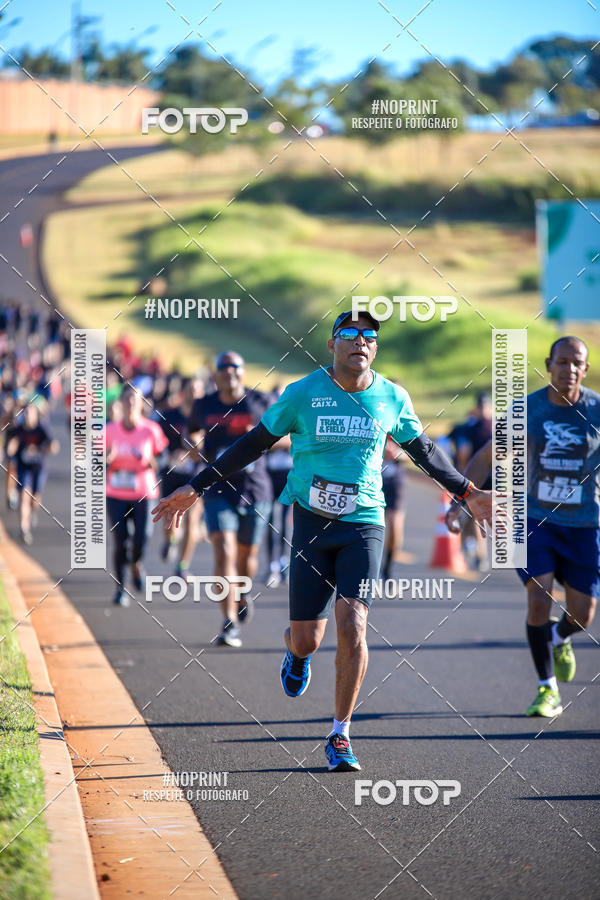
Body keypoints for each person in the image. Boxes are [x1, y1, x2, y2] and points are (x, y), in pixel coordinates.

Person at [152, 311, 493, 771]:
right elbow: (252, 443)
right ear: (332, 345)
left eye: (369, 336)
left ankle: (339, 735)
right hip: (311, 525)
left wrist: (468, 492)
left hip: (364, 523)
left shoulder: (392, 396)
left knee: (353, 624)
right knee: (308, 640)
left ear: (375, 348)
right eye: (350, 334)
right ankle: (295, 652)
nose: (360, 341)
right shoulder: (302, 394)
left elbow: (424, 452)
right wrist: (196, 486)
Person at [446, 336, 599, 717]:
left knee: (583, 613)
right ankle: (547, 688)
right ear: (549, 364)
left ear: (586, 368)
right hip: (534, 520)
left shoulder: (597, 410)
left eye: (576, 363)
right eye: (561, 362)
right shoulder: (527, 410)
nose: (569, 370)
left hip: (584, 525)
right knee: (539, 596)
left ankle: (559, 635)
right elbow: (485, 457)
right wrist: (461, 502)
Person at [186, 352, 274, 647]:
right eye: (223, 368)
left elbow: (288, 437)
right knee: (223, 549)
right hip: (217, 488)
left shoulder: (260, 402)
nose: (229, 373)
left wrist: (260, 438)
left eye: (234, 367)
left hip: (255, 489)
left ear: (243, 371)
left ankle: (242, 592)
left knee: (247, 558)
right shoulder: (204, 404)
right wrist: (194, 446)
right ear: (216, 374)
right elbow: (191, 432)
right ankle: (229, 622)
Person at [106, 385, 168, 606]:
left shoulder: (151, 430)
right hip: (115, 492)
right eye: (127, 399)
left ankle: (136, 564)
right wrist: (106, 459)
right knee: (120, 540)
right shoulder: (109, 430)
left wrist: (153, 462)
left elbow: (163, 459)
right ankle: (121, 588)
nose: (131, 403)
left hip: (144, 492)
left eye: (135, 399)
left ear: (141, 404)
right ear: (121, 403)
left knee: (142, 537)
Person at [157, 376, 207, 579]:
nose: (195, 394)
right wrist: (169, 454)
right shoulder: (170, 415)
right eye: (191, 390)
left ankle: (182, 566)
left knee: (192, 520)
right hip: (171, 473)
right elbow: (156, 442)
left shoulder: (207, 418)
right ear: (184, 392)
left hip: (196, 475)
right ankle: (171, 541)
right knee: (169, 515)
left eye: (198, 390)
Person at [6, 402, 59, 544]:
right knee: (24, 495)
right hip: (24, 468)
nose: (29, 416)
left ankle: (33, 511)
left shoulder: (41, 429)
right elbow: (10, 445)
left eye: (31, 413)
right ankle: (24, 529)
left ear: (36, 414)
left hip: (38, 468)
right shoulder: (19, 430)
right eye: (26, 413)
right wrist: (11, 448)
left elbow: (54, 446)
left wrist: (40, 449)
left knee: (35, 499)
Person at [380, 434, 407, 579]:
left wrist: (397, 454)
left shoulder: (398, 427)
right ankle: (372, 567)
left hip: (395, 486)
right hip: (374, 484)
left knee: (395, 529)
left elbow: (414, 454)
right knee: (371, 528)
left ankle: (388, 568)